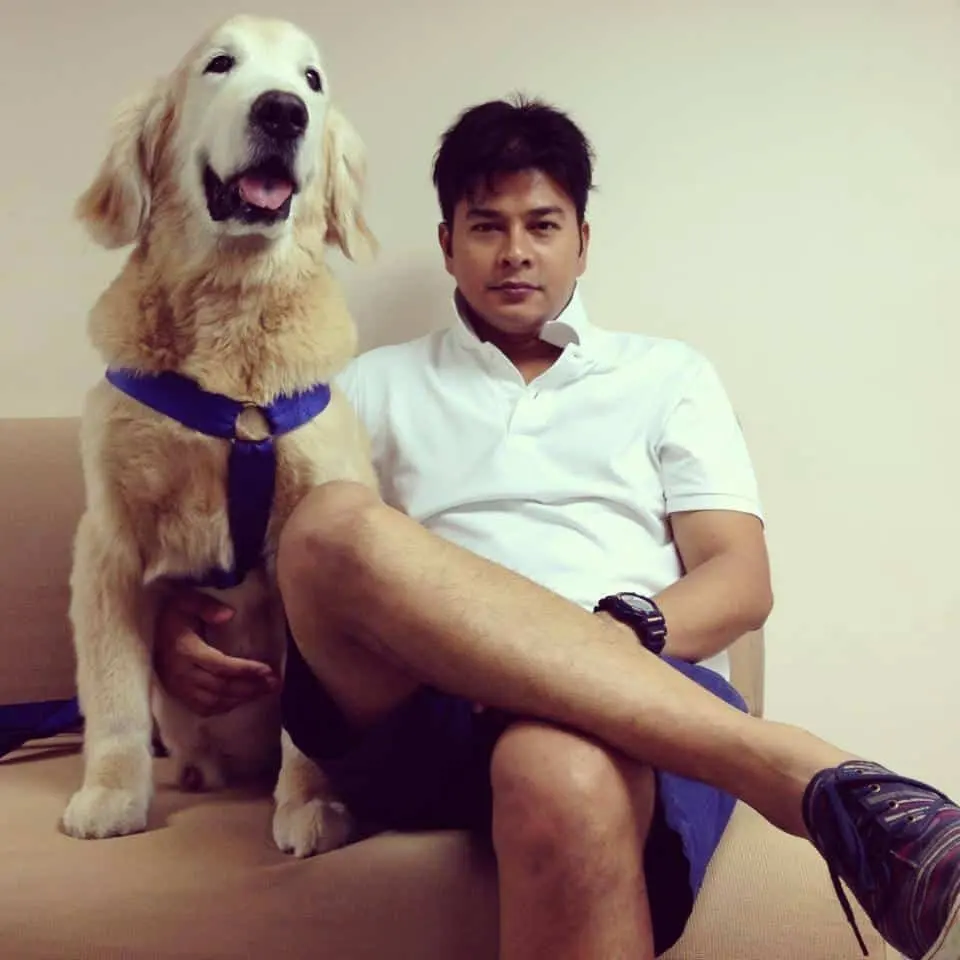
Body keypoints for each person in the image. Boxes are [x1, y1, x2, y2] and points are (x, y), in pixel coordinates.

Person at [153, 95, 960, 960]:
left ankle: (749, 759)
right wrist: (168, 623)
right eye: (486, 226)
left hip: (633, 693)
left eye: (542, 225)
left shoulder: (668, 375)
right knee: (329, 524)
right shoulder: (372, 383)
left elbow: (739, 579)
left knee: (562, 770)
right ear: (447, 244)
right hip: (418, 707)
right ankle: (793, 771)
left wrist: (600, 640)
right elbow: (275, 558)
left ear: (583, 240)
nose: (515, 252)